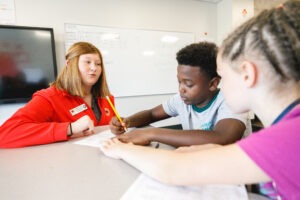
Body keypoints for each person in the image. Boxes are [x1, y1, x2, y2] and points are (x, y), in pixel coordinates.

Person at [100, 1, 300, 199]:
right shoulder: (286, 129)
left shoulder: (289, 137)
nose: (222, 84)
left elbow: (173, 169)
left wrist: (120, 148)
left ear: (247, 74)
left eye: (224, 75)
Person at [110, 42, 249, 147]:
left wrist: (151, 133)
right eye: (179, 82)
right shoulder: (182, 99)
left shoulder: (232, 100)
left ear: (213, 84)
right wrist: (128, 121)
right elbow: (152, 114)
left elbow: (222, 138)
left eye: (188, 84)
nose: (181, 89)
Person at [0, 42, 115, 148]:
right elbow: (5, 134)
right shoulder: (49, 97)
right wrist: (69, 128)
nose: (94, 68)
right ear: (70, 64)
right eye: (88, 62)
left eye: (98, 64)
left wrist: (118, 127)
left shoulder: (107, 98)